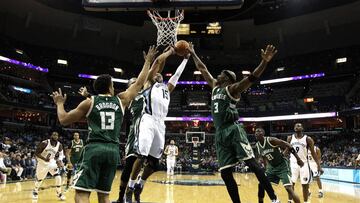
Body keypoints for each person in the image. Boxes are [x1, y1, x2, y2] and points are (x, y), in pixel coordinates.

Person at [51, 46, 158, 203]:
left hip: (94, 149)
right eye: (113, 85)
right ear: (109, 87)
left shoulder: (89, 102)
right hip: (113, 152)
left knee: (82, 194)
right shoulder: (121, 100)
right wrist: (148, 61)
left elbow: (64, 119)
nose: (114, 87)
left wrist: (59, 103)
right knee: (104, 196)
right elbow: (140, 82)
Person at [189, 43, 280, 203]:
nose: (218, 75)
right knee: (225, 173)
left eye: (222, 74)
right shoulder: (215, 87)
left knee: (252, 164)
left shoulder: (233, 89)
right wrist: (193, 52)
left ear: (228, 78)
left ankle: (274, 198)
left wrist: (264, 62)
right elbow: (203, 68)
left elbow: (251, 78)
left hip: (233, 130)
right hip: (220, 133)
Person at [126, 47, 189, 203]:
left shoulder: (167, 89)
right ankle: (130, 187)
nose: (159, 74)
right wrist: (170, 52)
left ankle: (140, 185)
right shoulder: (148, 83)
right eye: (157, 73)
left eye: (161, 74)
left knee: (155, 163)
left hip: (161, 124)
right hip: (148, 120)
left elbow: (177, 74)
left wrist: (186, 59)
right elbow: (158, 62)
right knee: (142, 156)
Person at [254, 127, 304, 203]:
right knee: (261, 184)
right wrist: (266, 168)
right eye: (255, 132)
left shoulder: (271, 140)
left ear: (263, 133)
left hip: (282, 166)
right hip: (271, 168)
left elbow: (288, 145)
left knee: (288, 188)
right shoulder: (257, 146)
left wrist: (298, 159)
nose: (256, 133)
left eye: (259, 131)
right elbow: (264, 157)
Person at [287, 123, 323, 203]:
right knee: (291, 184)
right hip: (293, 164)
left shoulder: (308, 139)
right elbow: (286, 151)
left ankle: (306, 201)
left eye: (299, 125)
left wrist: (319, 166)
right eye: (296, 125)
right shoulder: (290, 138)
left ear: (302, 128)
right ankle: (290, 200)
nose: (297, 127)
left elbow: (313, 153)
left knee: (305, 185)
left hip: (304, 164)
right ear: (294, 128)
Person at [32, 131, 66, 201]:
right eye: (54, 135)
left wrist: (59, 160)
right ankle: (35, 190)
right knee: (40, 179)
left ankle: (59, 193)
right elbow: (36, 153)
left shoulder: (59, 145)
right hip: (42, 163)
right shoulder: (44, 143)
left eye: (56, 135)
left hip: (51, 162)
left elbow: (61, 154)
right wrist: (44, 159)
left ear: (58, 137)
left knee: (58, 176)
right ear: (51, 136)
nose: (55, 136)